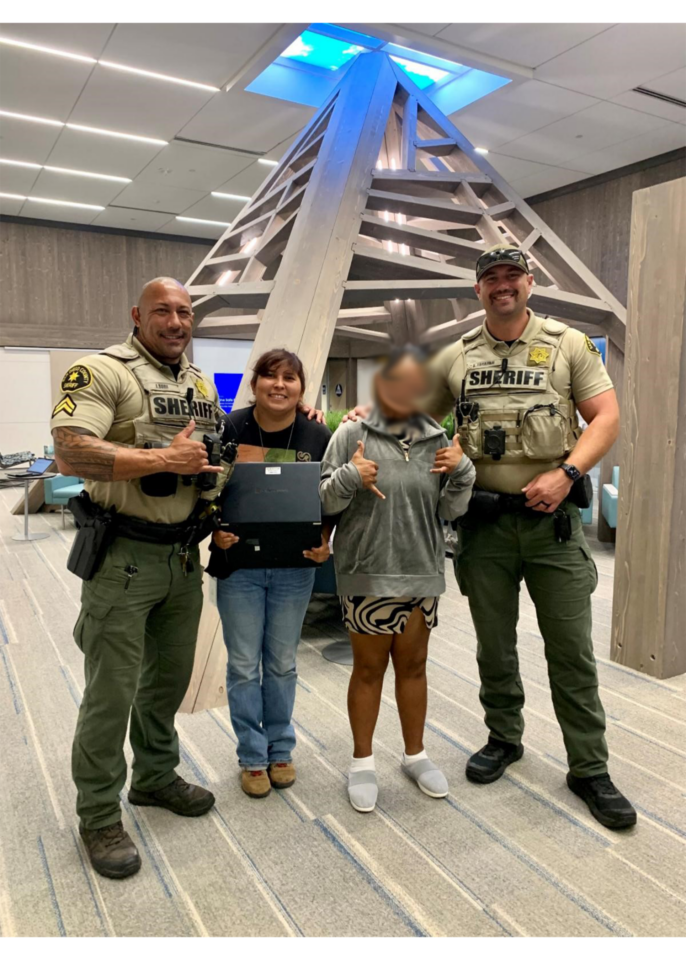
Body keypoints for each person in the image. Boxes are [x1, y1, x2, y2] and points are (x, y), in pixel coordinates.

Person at [422, 243, 636, 829]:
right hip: (484, 527)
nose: (502, 285)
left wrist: (567, 474)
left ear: (529, 282)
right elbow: (410, 411)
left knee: (571, 651)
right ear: (478, 289)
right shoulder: (458, 357)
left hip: (554, 528)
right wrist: (357, 412)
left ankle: (589, 767)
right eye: (491, 277)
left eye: (511, 275)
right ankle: (504, 737)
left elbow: (606, 418)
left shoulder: (568, 345)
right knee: (494, 646)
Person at [51, 277, 226, 880]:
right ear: (137, 315)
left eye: (185, 312)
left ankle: (154, 778)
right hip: (123, 558)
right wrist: (159, 461)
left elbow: (213, 451)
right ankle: (99, 814)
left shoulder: (200, 384)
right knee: (111, 692)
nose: (176, 322)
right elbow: (69, 453)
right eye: (163, 311)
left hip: (182, 560)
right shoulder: (103, 371)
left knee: (165, 684)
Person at [319, 347, 475, 813]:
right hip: (368, 570)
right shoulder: (351, 434)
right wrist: (351, 475)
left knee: (414, 667)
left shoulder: (439, 440)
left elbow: (450, 510)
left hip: (421, 570)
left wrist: (463, 472)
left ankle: (415, 754)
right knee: (368, 670)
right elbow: (324, 501)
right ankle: (362, 761)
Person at [208, 349, 332, 799]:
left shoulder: (318, 433)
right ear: (255, 382)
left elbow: (328, 495)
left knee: (281, 664)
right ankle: (252, 756)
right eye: (270, 376)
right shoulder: (229, 427)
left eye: (290, 378)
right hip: (238, 564)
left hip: (294, 567)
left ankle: (281, 749)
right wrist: (215, 528)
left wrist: (327, 540)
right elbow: (207, 487)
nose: (279, 385)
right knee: (243, 665)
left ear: (301, 387)